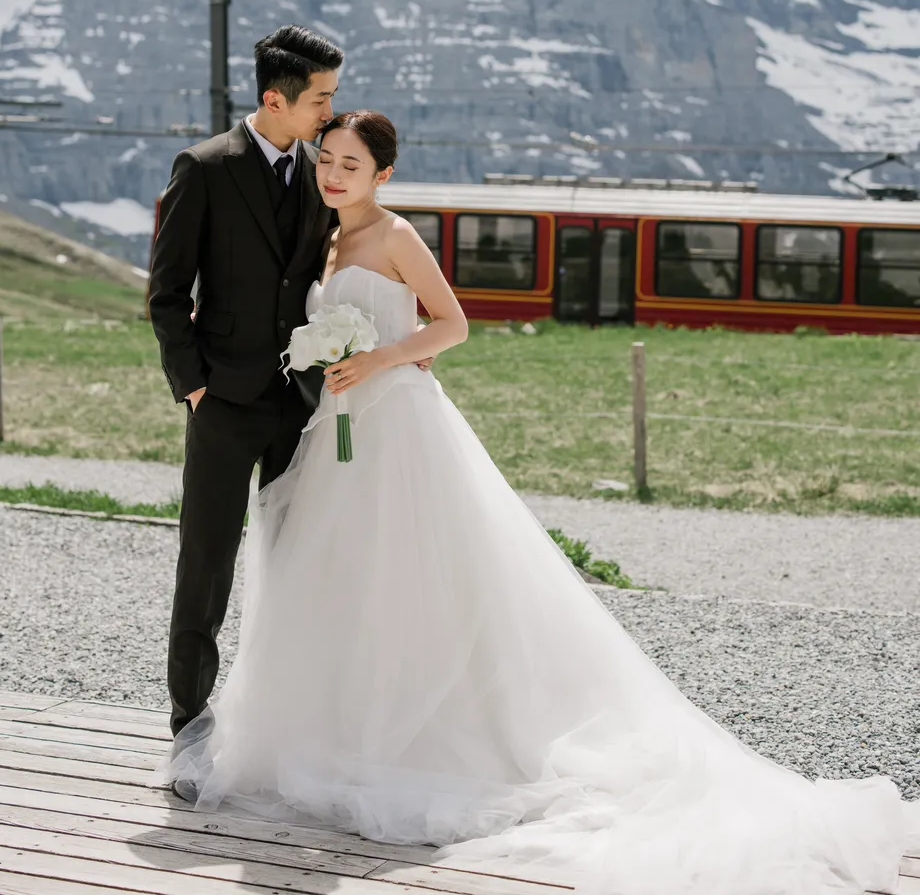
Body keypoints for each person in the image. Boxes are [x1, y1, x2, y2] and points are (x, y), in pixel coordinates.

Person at [161, 110, 920, 895]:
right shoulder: (321, 239)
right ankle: (340, 729)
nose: (333, 174)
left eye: (351, 164)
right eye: (327, 160)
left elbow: (452, 325)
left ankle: (422, 737)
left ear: (382, 174)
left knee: (417, 579)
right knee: (344, 584)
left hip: (399, 431)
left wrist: (382, 357)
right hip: (339, 435)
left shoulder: (393, 235)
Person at [148, 24, 343, 741]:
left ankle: (283, 721)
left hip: (301, 404)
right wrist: (194, 385)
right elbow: (167, 292)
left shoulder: (323, 171)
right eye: (321, 98)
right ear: (275, 97)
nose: (330, 111)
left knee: (297, 563)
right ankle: (190, 723)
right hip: (223, 402)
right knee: (206, 567)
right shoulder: (203, 167)